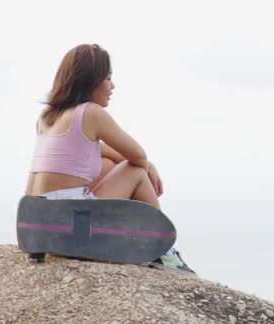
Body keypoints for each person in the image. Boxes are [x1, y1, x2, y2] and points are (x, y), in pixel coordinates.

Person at [26, 43, 192, 272]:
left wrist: (145, 162)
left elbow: (98, 149)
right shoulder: (91, 113)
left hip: (38, 226)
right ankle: (164, 252)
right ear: (91, 80)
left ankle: (135, 241)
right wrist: (146, 165)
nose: (112, 86)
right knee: (135, 171)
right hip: (72, 228)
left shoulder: (47, 117)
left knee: (107, 165)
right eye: (108, 78)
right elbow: (137, 156)